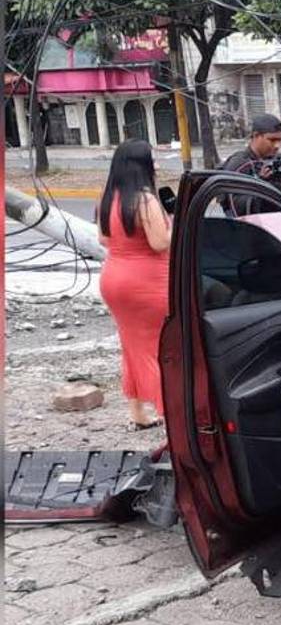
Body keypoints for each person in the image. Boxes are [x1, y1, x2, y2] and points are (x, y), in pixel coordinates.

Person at [96, 140, 172, 430]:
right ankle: (169, 411)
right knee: (160, 347)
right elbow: (159, 243)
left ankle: (138, 413)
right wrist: (172, 223)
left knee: (131, 345)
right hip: (147, 282)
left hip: (114, 278)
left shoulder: (106, 197)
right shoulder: (145, 200)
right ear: (143, 165)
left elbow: (103, 239)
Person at [220, 113, 281, 215]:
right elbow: (238, 210)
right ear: (256, 136)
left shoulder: (278, 158)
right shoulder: (239, 164)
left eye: (280, 140)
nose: (277, 145)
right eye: (272, 140)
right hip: (251, 228)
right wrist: (261, 183)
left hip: (278, 222)